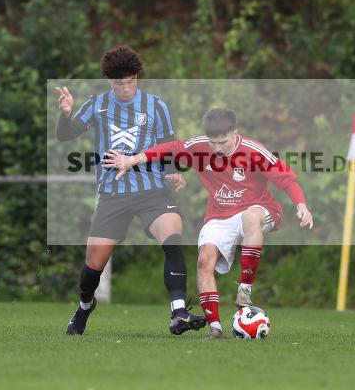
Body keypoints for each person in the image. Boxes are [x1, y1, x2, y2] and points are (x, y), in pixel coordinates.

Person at [103, 107, 314, 339]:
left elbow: (286, 179)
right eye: (213, 142)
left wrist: (301, 205)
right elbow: (167, 149)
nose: (217, 148)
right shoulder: (199, 146)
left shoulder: (253, 150)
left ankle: (244, 290)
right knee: (204, 261)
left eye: (223, 141)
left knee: (250, 217)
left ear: (235, 133)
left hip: (259, 209)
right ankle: (215, 328)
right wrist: (131, 160)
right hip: (219, 215)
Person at [54, 45, 206, 336]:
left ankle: (178, 313)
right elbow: (66, 135)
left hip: (153, 191)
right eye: (119, 82)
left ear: (137, 77)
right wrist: (66, 114)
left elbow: (169, 144)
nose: (125, 87)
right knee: (93, 266)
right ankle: (85, 306)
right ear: (109, 81)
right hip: (114, 194)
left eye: (131, 80)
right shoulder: (96, 104)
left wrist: (173, 170)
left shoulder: (156, 105)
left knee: (173, 236)